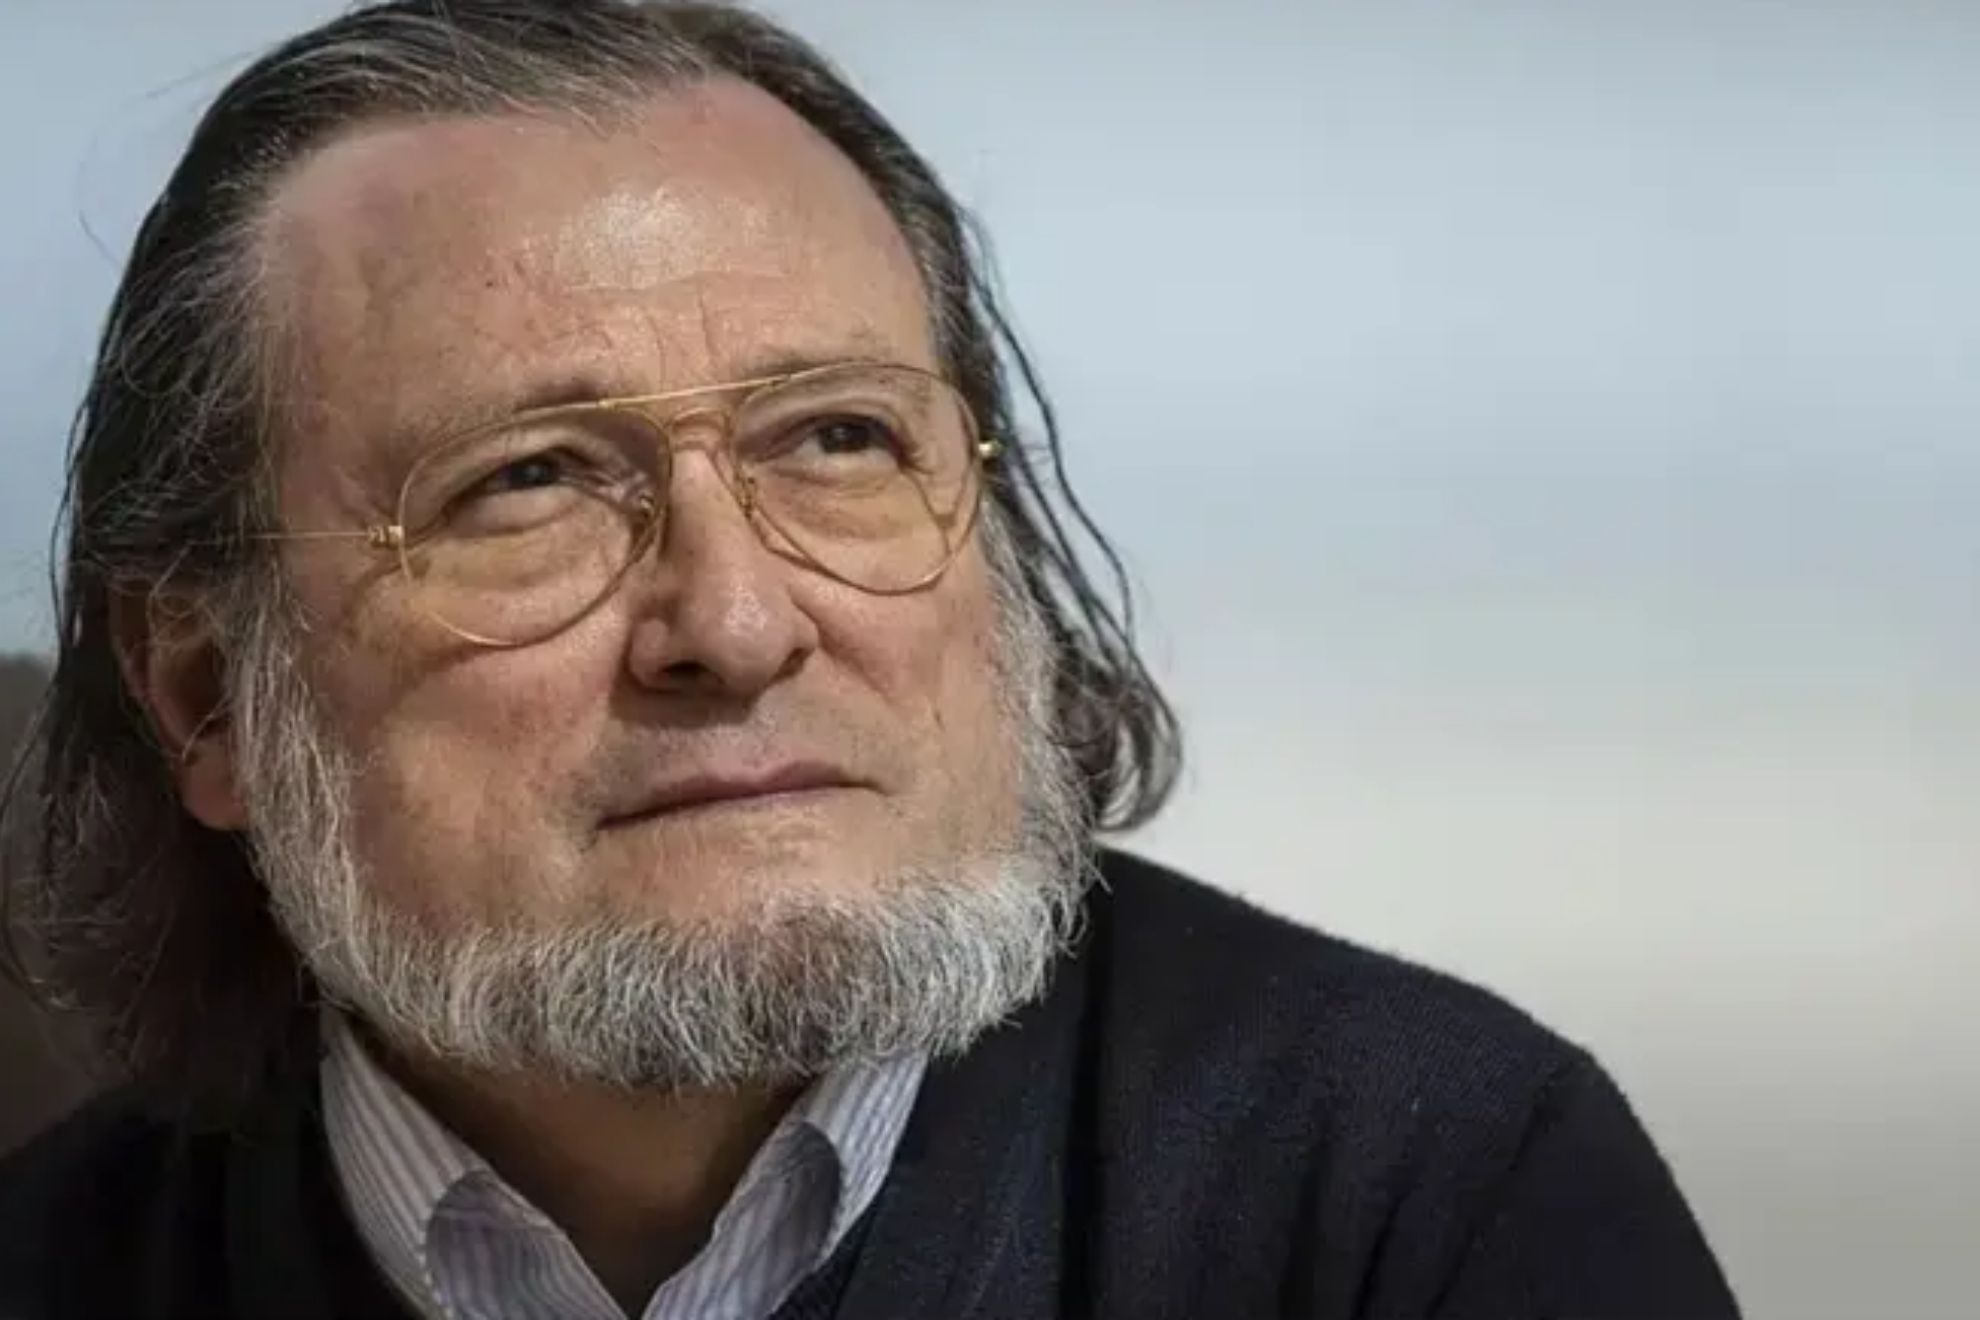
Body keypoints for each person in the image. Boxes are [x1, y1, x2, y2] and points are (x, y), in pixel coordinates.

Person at [0, 3, 1739, 1316]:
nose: (739, 624)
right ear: (205, 696)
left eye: (838, 440)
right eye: (525, 484)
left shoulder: (1421, 1207)